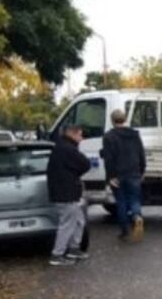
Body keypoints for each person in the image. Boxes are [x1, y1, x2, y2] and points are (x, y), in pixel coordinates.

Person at [46, 125, 91, 267]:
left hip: (66, 192)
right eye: (80, 135)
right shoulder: (68, 149)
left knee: (78, 221)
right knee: (67, 224)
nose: (81, 138)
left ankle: (74, 248)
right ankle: (57, 254)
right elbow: (85, 163)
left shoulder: (60, 147)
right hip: (66, 193)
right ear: (73, 134)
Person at [101, 109, 147, 241]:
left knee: (121, 202)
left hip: (118, 174)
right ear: (125, 119)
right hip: (134, 172)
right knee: (134, 199)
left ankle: (124, 231)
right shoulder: (134, 134)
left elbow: (108, 158)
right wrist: (142, 170)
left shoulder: (108, 136)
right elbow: (141, 153)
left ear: (112, 120)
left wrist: (110, 177)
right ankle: (137, 216)